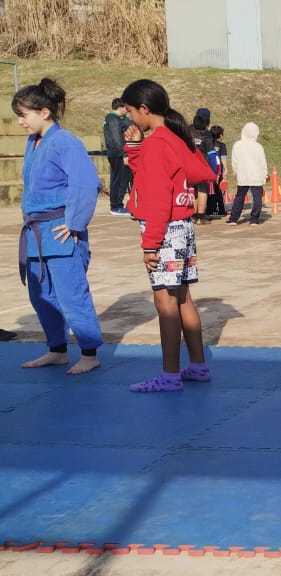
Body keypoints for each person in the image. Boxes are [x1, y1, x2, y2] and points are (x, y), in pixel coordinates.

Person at [120, 79, 216, 392]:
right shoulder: (175, 138)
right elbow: (198, 173)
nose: (130, 117)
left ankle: (170, 375)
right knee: (183, 297)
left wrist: (150, 245)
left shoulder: (158, 143)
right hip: (183, 227)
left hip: (164, 229)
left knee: (165, 302)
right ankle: (198, 365)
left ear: (144, 109)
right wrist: (136, 148)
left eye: (131, 111)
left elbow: (157, 196)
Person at [13, 78, 104, 375]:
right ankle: (57, 349)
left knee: (72, 294)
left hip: (60, 230)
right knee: (41, 295)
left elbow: (86, 183)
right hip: (36, 231)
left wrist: (75, 223)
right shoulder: (34, 142)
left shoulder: (65, 141)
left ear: (44, 112)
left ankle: (89, 353)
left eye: (24, 114)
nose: (20, 121)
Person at [227, 121, 268, 226]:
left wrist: (235, 169)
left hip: (243, 173)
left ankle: (233, 219)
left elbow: (234, 159)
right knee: (257, 197)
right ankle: (254, 219)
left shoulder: (238, 145)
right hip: (256, 175)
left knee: (240, 196)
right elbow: (262, 162)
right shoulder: (258, 146)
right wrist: (265, 174)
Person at [103, 98, 133, 217]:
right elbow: (117, 138)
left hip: (114, 152)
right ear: (120, 108)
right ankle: (116, 206)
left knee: (117, 179)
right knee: (120, 179)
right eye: (125, 108)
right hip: (117, 153)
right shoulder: (114, 120)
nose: (127, 111)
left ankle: (116, 205)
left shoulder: (111, 119)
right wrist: (124, 154)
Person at [190, 108, 216, 222]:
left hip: (189, 164)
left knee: (193, 189)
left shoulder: (187, 130)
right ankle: (201, 216)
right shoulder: (207, 135)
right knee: (203, 189)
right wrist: (214, 171)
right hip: (203, 165)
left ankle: (193, 214)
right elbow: (211, 155)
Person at [205, 125, 228, 218]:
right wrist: (226, 169)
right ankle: (221, 210)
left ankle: (209, 210)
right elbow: (223, 159)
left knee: (209, 190)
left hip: (208, 169)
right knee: (218, 191)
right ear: (221, 135)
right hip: (218, 171)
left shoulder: (207, 143)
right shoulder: (222, 145)